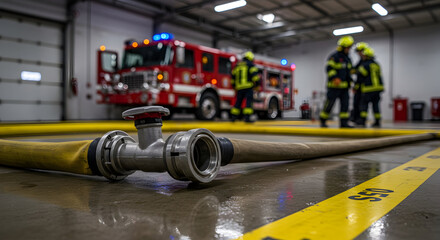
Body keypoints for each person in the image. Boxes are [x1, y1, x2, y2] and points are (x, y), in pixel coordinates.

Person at [319, 36, 354, 128]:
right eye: (348, 47)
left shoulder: (348, 59)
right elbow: (329, 68)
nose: (349, 49)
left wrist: (351, 82)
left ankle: (344, 123)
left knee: (345, 105)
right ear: (342, 47)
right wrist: (335, 77)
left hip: (345, 87)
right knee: (329, 104)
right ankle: (323, 120)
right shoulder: (334, 57)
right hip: (334, 87)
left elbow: (348, 73)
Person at [356, 47, 384, 127]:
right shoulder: (376, 64)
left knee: (364, 105)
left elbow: (360, 77)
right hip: (378, 89)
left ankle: (362, 120)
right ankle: (377, 121)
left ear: (367, 56)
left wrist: (356, 87)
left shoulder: (364, 65)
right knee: (376, 106)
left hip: (368, 89)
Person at [230, 51, 260, 122]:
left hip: (239, 88)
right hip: (248, 87)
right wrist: (257, 84)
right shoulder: (250, 64)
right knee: (248, 102)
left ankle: (233, 117)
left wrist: (234, 86)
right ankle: (247, 118)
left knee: (238, 102)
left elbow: (233, 77)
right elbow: (255, 76)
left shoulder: (237, 65)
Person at [350, 42, 369, 124]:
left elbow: (362, 75)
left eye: (359, 51)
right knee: (356, 103)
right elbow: (354, 70)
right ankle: (355, 118)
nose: (358, 53)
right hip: (359, 86)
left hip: (365, 87)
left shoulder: (367, 62)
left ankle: (362, 119)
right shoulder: (361, 61)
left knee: (362, 104)